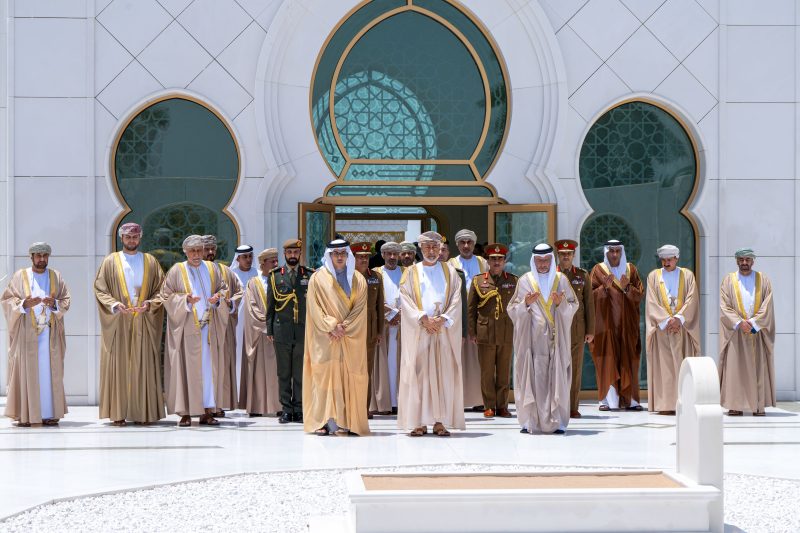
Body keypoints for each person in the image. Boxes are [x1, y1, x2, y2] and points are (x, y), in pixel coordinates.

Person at [94, 222, 165, 426]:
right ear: (121, 238)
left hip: (143, 319)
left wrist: (149, 304)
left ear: (140, 238)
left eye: (135, 236)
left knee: (143, 366)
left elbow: (161, 290)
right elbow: (100, 289)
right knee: (119, 366)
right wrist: (115, 305)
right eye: (128, 236)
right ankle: (118, 413)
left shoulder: (150, 262)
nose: (131, 240)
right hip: (120, 321)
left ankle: (143, 413)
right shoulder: (110, 262)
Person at [398, 231, 464, 437]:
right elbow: (405, 299)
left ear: (441, 248)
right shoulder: (410, 272)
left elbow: (456, 299)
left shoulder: (450, 271)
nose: (432, 251)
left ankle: (439, 421)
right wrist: (423, 318)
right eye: (427, 247)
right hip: (420, 330)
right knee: (419, 375)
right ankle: (418, 422)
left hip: (442, 331)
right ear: (420, 248)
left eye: (435, 247)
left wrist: (443, 319)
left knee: (443, 375)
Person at [508, 244, 578, 434]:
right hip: (532, 342)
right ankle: (529, 421)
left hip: (556, 342)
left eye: (546, 260)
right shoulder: (524, 281)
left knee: (558, 380)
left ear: (551, 260)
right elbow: (512, 310)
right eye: (539, 260)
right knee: (531, 379)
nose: (543, 264)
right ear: (533, 261)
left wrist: (561, 304)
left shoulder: (561, 280)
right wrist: (526, 304)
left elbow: (573, 306)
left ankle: (558, 422)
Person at [161, 235, 230, 427]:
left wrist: (218, 297)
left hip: (209, 328)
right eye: (192, 251)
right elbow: (166, 296)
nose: (197, 254)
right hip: (187, 330)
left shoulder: (212, 268)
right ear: (186, 252)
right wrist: (185, 300)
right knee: (186, 370)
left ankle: (208, 411)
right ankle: (186, 413)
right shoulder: (177, 270)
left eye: (200, 250)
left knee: (209, 371)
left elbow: (223, 289)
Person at [303, 239, 370, 436]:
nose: (340, 256)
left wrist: (344, 327)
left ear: (348, 255)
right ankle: (323, 422)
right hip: (325, 339)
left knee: (349, 378)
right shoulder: (318, 278)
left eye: (343, 253)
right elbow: (314, 308)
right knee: (323, 379)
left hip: (349, 338)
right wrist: (331, 326)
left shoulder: (359, 279)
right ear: (329, 256)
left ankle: (348, 422)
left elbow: (360, 310)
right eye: (336, 253)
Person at [2, 242, 71, 427]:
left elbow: (66, 300)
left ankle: (50, 413)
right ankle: (26, 414)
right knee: (27, 372)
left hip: (50, 333)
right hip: (27, 333)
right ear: (31, 257)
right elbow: (7, 299)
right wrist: (25, 304)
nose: (42, 259)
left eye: (45, 256)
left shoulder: (56, 276)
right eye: (38, 255)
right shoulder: (20, 276)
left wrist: (54, 303)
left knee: (50, 373)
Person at [719, 248, 775, 416]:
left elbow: (767, 304)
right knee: (735, 370)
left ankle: (758, 406)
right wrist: (738, 323)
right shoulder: (728, 280)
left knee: (757, 368)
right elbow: (724, 305)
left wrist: (752, 323)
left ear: (753, 261)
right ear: (737, 261)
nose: (744, 263)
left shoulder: (762, 279)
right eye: (741, 260)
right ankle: (735, 405)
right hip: (735, 333)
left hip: (755, 332)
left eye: (748, 260)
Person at [644, 245, 700, 415]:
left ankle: (686, 402)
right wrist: (666, 320)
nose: (666, 263)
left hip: (682, 328)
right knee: (665, 368)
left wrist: (679, 319)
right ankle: (666, 405)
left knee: (684, 366)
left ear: (677, 258)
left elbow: (692, 299)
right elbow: (651, 301)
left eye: (670, 259)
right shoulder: (654, 276)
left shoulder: (687, 275)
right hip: (663, 330)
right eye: (664, 260)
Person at [589, 239, 644, 411]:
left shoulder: (631, 270)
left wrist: (628, 288)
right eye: (611, 251)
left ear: (621, 252)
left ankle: (631, 400)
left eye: (617, 251)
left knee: (629, 361)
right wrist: (603, 289)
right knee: (607, 361)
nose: (614, 254)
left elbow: (639, 295)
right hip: (606, 327)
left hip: (627, 326)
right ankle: (607, 401)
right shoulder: (598, 270)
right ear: (606, 252)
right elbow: (590, 297)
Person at [467, 243, 517, 418]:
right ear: (487, 261)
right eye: (493, 259)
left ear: (504, 261)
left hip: (506, 332)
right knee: (487, 372)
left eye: (500, 259)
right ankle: (489, 405)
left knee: (504, 371)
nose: (496, 262)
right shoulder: (478, 280)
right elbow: (471, 309)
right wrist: (472, 333)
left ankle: (502, 406)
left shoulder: (513, 280)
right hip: (485, 332)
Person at [267, 238, 313, 424]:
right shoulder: (276, 275)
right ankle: (286, 409)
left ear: (300, 254)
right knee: (284, 372)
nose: (292, 256)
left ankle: (300, 408)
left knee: (300, 372)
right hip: (282, 330)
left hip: (303, 329)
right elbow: (270, 305)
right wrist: (269, 329)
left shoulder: (309, 275)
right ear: (284, 254)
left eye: (295, 252)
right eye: (289, 253)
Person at [203, 235, 243, 417]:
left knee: (220, 366)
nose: (210, 252)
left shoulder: (226, 271)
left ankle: (218, 404)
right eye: (206, 249)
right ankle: (200, 405)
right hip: (199, 328)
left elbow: (238, 294)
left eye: (213, 248)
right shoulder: (189, 272)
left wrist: (228, 303)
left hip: (222, 328)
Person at [554, 239, 595, 418]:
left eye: (568, 254)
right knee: (556, 366)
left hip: (577, 327)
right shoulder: (551, 275)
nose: (565, 257)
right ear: (558, 255)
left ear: (573, 255)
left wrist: (590, 330)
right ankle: (556, 404)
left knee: (575, 368)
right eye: (562, 254)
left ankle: (572, 406)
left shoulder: (582, 275)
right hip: (556, 327)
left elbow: (589, 304)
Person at [448, 228, 487, 410]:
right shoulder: (450, 264)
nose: (466, 246)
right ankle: (460, 400)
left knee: (479, 359)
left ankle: (479, 400)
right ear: (457, 244)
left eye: (469, 242)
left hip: (480, 317)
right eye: (462, 242)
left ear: (473, 244)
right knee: (459, 358)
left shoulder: (483, 263)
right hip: (458, 318)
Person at [241, 248, 281, 417]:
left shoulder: (281, 281)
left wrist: (277, 326)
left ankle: (279, 406)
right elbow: (251, 308)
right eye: (272, 261)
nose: (276, 264)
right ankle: (257, 407)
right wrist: (267, 325)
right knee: (257, 371)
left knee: (278, 371)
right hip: (260, 334)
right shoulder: (253, 283)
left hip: (279, 333)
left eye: (276, 261)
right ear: (263, 263)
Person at [371, 241, 404, 415]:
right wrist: (390, 315)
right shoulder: (376, 274)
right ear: (382, 255)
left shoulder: (407, 272)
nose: (392, 257)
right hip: (382, 327)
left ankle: (400, 401)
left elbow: (413, 297)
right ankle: (384, 403)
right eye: (388, 254)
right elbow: (373, 299)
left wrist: (400, 314)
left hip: (403, 327)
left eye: (395, 254)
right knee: (384, 364)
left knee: (399, 364)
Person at [352, 242, 384, 419]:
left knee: (366, 371)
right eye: (360, 257)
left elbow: (379, 305)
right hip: (351, 331)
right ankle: (351, 406)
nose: (364, 260)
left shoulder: (376, 277)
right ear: (354, 258)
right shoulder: (347, 276)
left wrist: (379, 331)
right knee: (351, 369)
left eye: (366, 257)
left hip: (370, 331)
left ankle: (364, 407)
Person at [229, 244, 258, 409]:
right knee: (237, 354)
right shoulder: (231, 274)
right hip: (237, 321)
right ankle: (237, 396)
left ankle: (251, 396)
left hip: (254, 323)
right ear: (237, 258)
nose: (248, 260)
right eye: (244, 257)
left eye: (250, 256)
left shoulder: (257, 274)